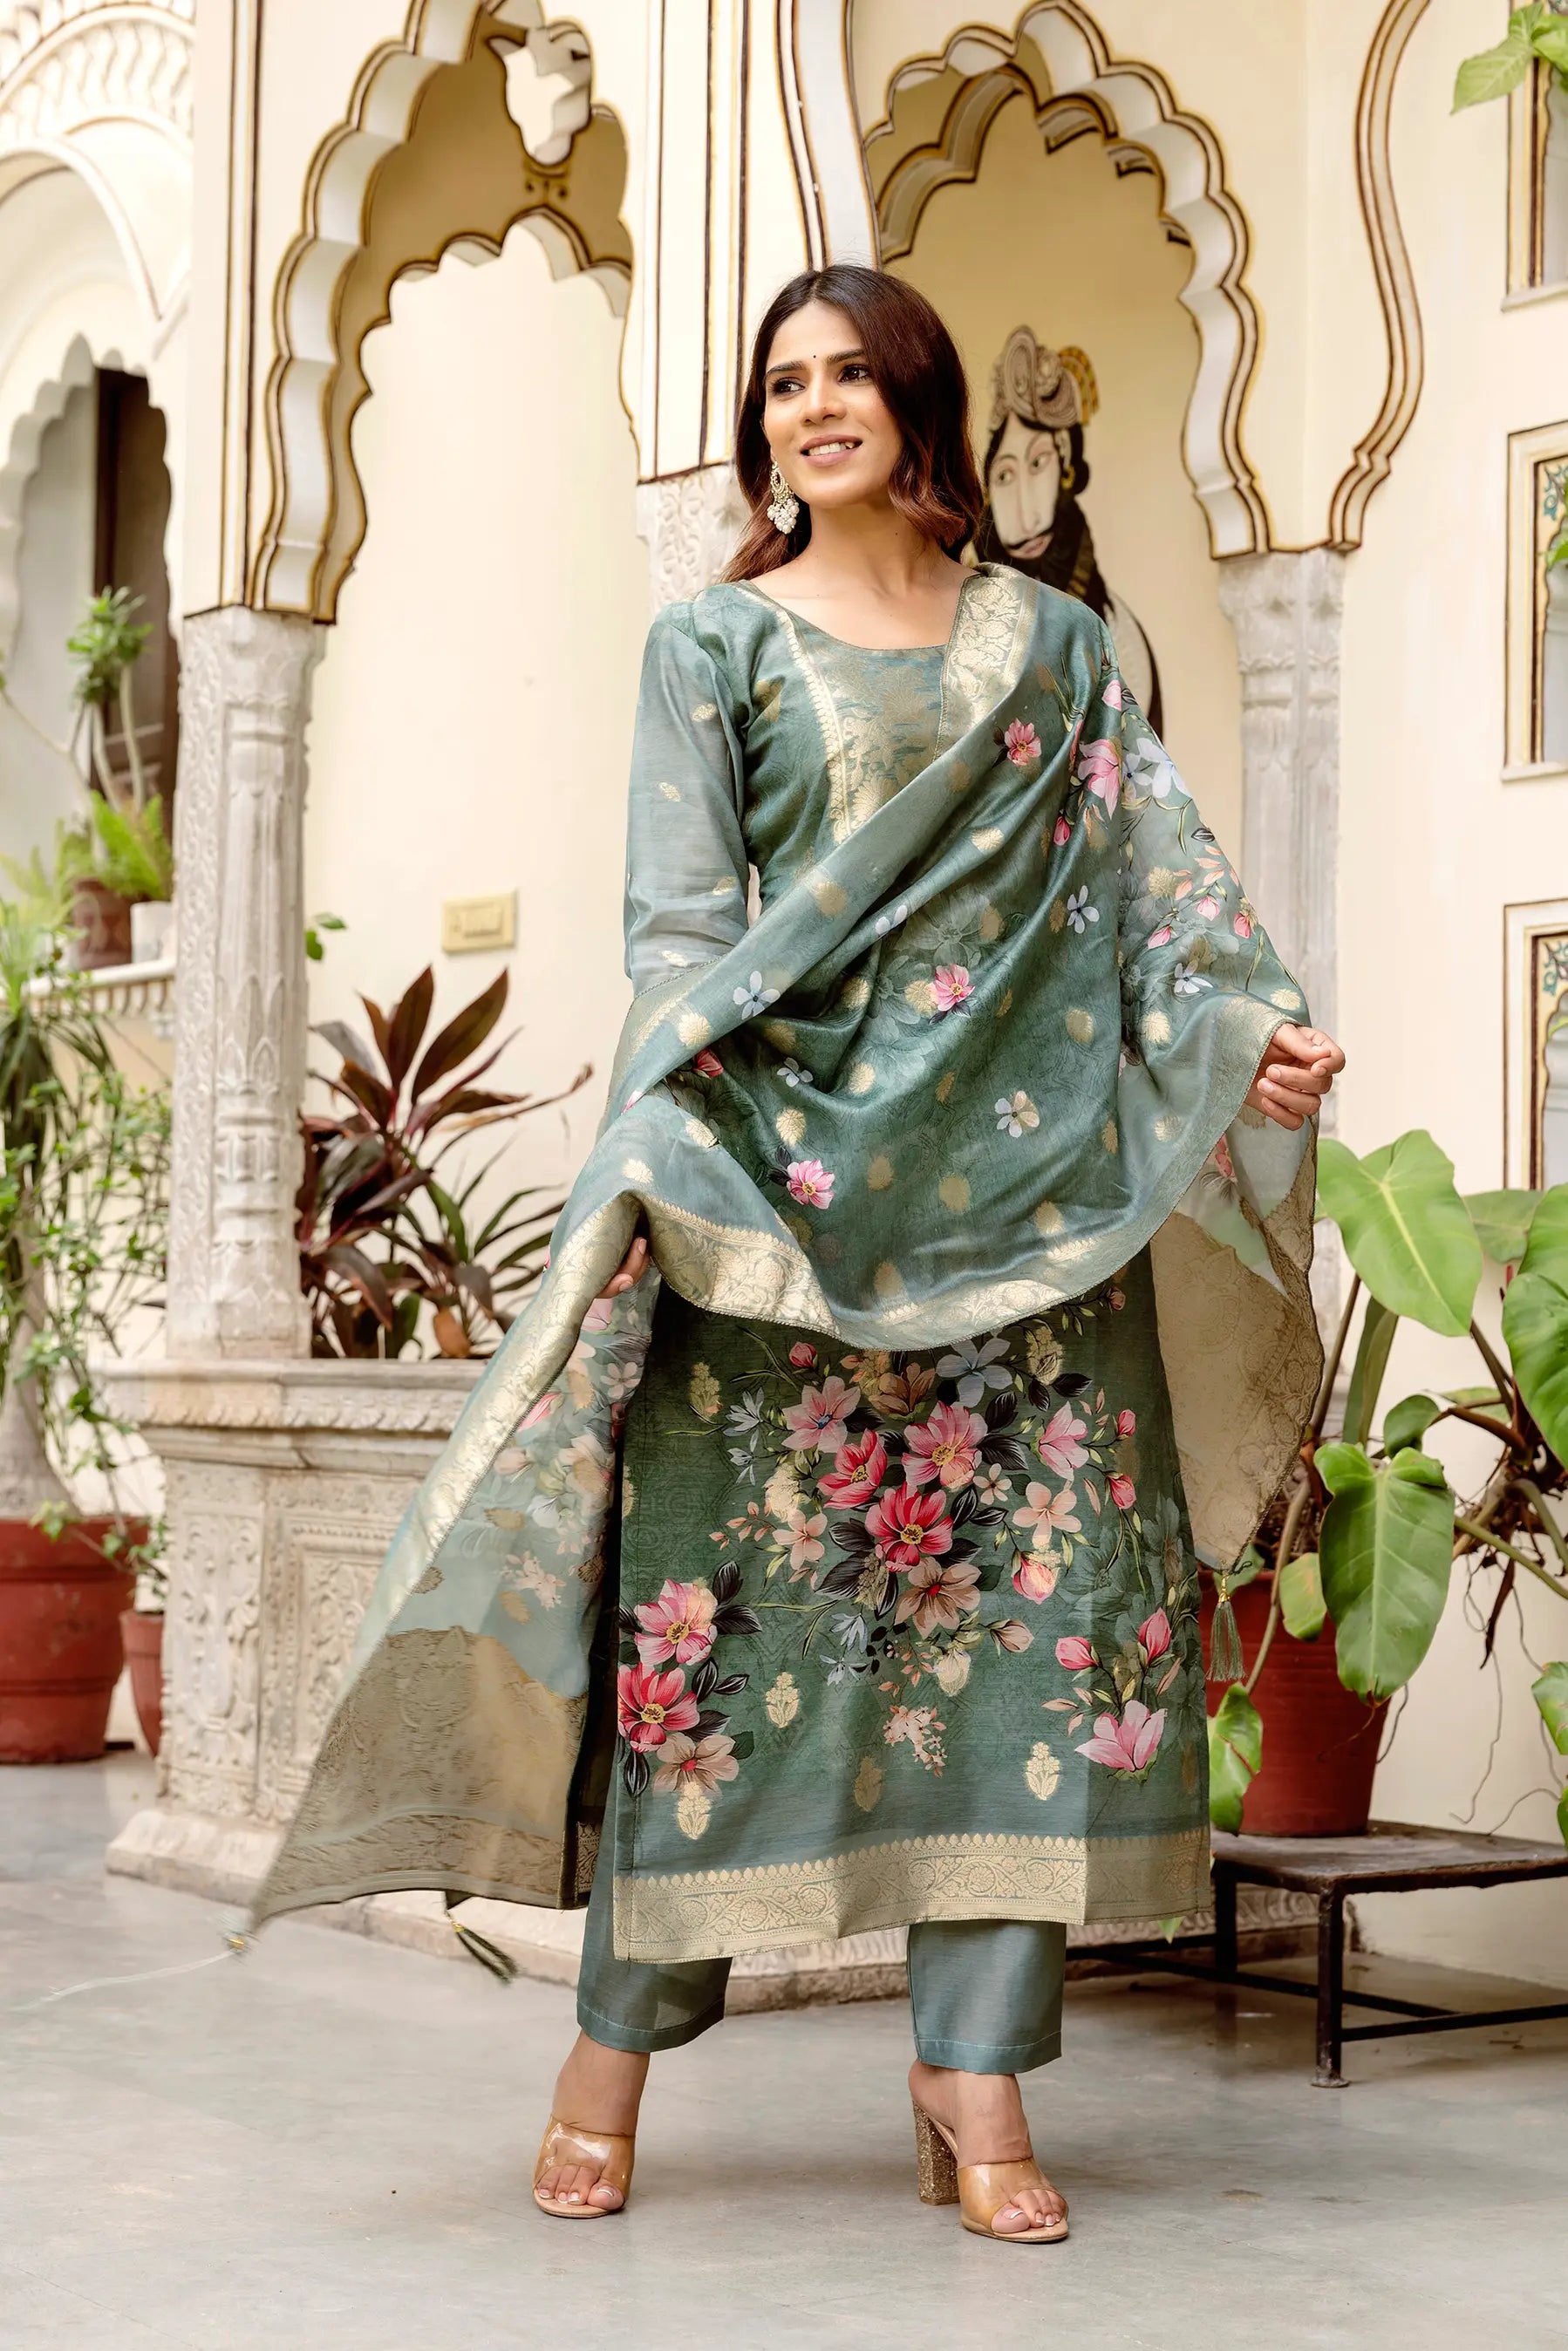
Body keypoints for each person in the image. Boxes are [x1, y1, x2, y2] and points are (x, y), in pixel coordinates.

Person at [251, 265, 1344, 2246]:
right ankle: (611, 2047)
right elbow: (678, 936)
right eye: (780, 382)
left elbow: (1157, 895)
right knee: (725, 1670)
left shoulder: (1058, 657)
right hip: (778, 1235)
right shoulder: (711, 651)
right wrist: (681, 1157)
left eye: (848, 374)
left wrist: (1238, 1037)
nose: (812, 405)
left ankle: (970, 2075)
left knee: (1023, 1670)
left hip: (1033, 1242)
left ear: (914, 405)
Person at [972, 324, 1162, 731]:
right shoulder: (955, 623)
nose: (1026, 517)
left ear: (1067, 470)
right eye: (1005, 476)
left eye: (1038, 464)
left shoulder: (1116, 635)